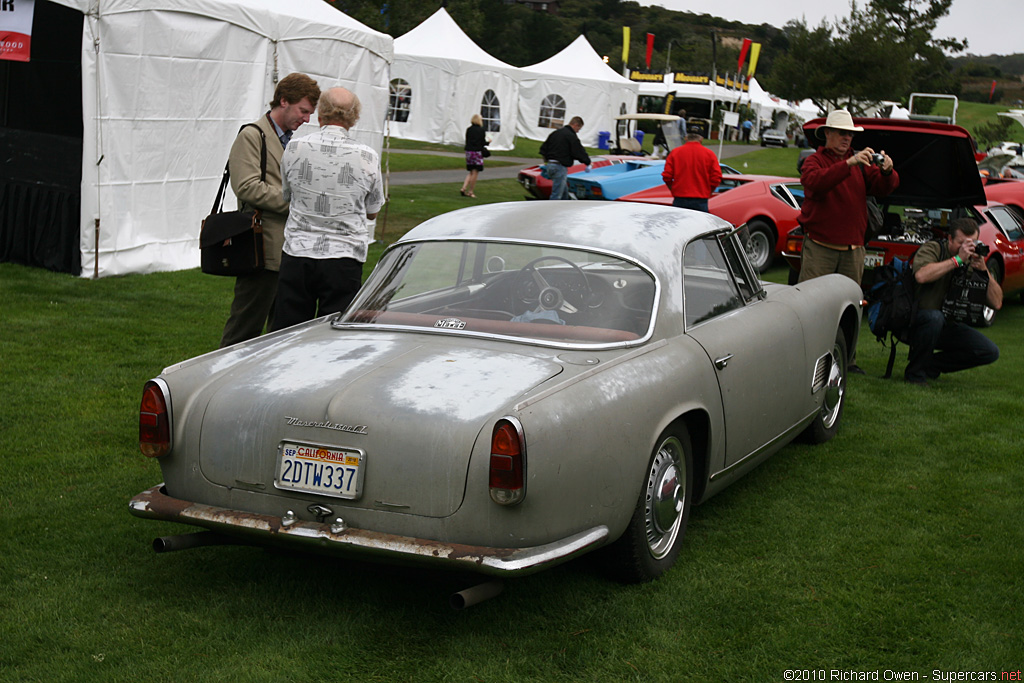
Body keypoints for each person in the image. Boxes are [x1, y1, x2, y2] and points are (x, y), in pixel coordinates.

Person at [270, 87, 384, 332]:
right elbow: (372, 211)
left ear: (320, 114)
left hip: (298, 252)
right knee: (335, 336)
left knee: (286, 333)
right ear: (353, 119)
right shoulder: (367, 156)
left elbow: (288, 195)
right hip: (344, 257)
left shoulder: (294, 148)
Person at [219, 72, 320, 348]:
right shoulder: (252, 136)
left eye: (310, 113)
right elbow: (247, 187)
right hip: (261, 250)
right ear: (283, 101)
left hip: (291, 250)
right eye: (303, 111)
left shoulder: (293, 141)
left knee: (283, 334)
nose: (307, 119)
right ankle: (222, 384)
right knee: (243, 332)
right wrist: (298, 203)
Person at [797, 110, 899, 286]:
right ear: (827, 133)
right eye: (842, 133)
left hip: (853, 251)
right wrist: (848, 164)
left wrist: (887, 171)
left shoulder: (860, 162)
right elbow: (814, 181)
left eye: (850, 134)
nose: (847, 138)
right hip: (820, 248)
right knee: (813, 302)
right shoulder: (815, 160)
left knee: (849, 303)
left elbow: (884, 188)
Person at [904, 218, 1001, 386]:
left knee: (989, 351)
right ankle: (915, 373)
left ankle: (930, 365)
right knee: (934, 318)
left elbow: (996, 303)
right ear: (949, 239)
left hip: (946, 325)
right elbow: (921, 275)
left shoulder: (972, 260)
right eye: (961, 243)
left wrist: (984, 270)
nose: (965, 248)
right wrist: (957, 260)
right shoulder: (934, 248)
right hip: (915, 321)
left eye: (971, 243)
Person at [661, 125, 722, 212]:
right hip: (701, 198)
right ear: (701, 139)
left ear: (686, 137)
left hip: (680, 197)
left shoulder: (675, 153)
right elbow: (716, 177)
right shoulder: (709, 154)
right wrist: (709, 192)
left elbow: (667, 176)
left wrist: (673, 189)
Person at [540, 116, 590, 200]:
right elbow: (578, 151)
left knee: (564, 193)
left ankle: (565, 207)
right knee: (556, 195)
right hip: (560, 167)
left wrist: (546, 162)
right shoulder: (571, 136)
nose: (578, 131)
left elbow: (543, 149)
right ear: (575, 125)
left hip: (550, 165)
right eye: (579, 129)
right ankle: (551, 210)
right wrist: (587, 161)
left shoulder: (555, 133)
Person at [460, 114, 487, 198]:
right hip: (477, 152)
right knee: (475, 172)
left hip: (468, 151)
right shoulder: (481, 130)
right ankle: (470, 191)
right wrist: (488, 142)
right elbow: (482, 142)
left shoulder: (469, 129)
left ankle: (464, 187)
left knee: (471, 171)